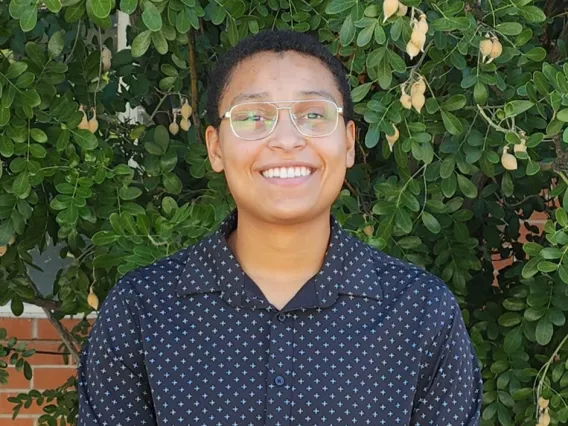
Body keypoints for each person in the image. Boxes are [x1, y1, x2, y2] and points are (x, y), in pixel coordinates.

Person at [77, 29, 483, 425]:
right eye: (254, 116)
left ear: (347, 143)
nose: (287, 139)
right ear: (216, 147)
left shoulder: (419, 312)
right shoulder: (143, 309)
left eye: (312, 115)